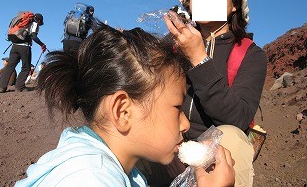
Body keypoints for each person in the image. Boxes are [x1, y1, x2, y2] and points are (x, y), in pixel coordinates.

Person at [14, 23, 235, 187]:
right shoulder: (89, 178)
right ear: (123, 111)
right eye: (177, 108)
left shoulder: (124, 170)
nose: (185, 124)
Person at [162, 0, 267, 187]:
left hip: (218, 154)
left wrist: (199, 59)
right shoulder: (171, 45)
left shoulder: (251, 55)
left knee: (231, 134)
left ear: (235, 4)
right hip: (170, 146)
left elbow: (237, 117)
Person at [0, 13, 46, 93]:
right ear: (39, 20)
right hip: (24, 47)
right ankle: (19, 87)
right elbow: (34, 36)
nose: (40, 25)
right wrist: (42, 44)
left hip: (14, 46)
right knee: (26, 67)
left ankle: (2, 87)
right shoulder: (34, 23)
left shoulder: (23, 22)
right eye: (40, 23)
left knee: (10, 66)